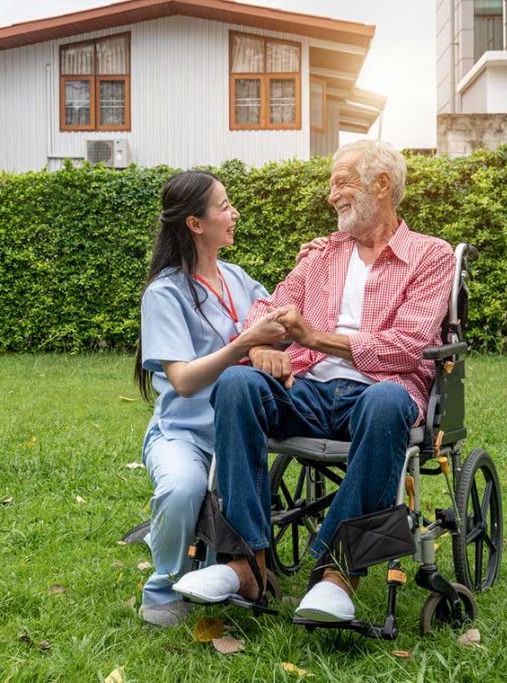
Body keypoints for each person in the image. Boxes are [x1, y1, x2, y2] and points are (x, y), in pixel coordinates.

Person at [172, 140, 456, 624]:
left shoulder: (431, 256)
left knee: (387, 400)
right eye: (331, 185)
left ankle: (336, 574)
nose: (331, 196)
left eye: (341, 182)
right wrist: (261, 346)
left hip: (380, 393)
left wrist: (314, 337)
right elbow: (268, 309)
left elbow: (409, 346)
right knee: (237, 386)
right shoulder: (322, 255)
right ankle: (246, 566)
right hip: (309, 389)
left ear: (381, 185)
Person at [134, 170, 324, 627]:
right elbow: (182, 381)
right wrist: (245, 344)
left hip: (240, 431)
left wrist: (309, 269)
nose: (234, 213)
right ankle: (161, 588)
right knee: (183, 489)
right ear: (196, 224)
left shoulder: (239, 280)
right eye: (224, 206)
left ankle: (238, 567)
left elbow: (280, 326)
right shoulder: (165, 293)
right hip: (186, 434)